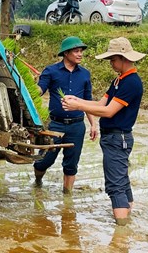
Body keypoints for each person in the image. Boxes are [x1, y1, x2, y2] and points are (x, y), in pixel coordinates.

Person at [62, 37, 146, 226]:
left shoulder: (131, 83)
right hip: (113, 138)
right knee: (121, 180)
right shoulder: (119, 80)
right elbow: (101, 104)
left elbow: (108, 111)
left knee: (115, 185)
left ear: (122, 58)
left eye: (112, 60)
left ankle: (121, 231)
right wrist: (78, 101)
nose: (110, 64)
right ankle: (126, 222)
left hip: (118, 137)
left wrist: (77, 107)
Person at [33, 36, 97, 194]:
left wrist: (94, 124)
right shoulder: (51, 71)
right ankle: (38, 181)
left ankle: (67, 198)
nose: (80, 54)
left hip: (77, 126)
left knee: (71, 164)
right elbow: (40, 90)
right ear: (66, 53)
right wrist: (32, 88)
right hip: (55, 125)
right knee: (44, 160)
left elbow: (88, 101)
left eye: (81, 51)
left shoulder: (85, 74)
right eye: (76, 51)